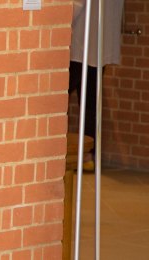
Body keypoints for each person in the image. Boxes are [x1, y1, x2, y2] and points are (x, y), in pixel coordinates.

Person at [68, 0, 123, 171]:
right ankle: (88, 156)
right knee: (91, 104)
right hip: (100, 42)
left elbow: (76, 5)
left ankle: (65, 153)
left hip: (79, 39)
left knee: (60, 100)